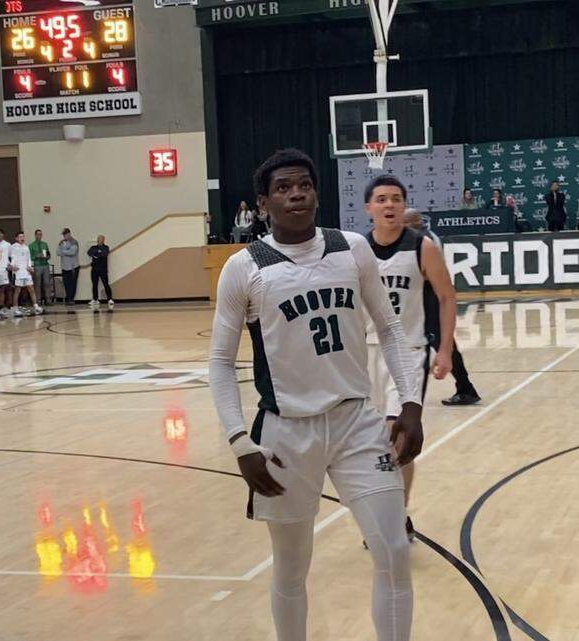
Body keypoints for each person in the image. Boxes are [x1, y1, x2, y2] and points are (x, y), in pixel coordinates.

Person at [208, 149, 421, 641]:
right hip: (286, 431)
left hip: (357, 423)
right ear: (263, 203)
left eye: (304, 184)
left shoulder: (351, 248)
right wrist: (241, 442)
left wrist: (409, 404)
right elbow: (220, 362)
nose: (296, 193)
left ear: (317, 192)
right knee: (290, 566)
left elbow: (388, 328)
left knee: (392, 549)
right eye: (283, 187)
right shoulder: (243, 268)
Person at [364, 178, 456, 541]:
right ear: (369, 208)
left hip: (407, 352)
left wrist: (445, 349)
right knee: (370, 445)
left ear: (404, 207)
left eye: (397, 199)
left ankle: (393, 518)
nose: (390, 204)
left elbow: (447, 297)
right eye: (382, 199)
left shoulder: (423, 247)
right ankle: (388, 512)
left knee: (398, 437)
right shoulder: (356, 250)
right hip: (363, 353)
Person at [402, 211, 483, 407]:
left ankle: (465, 388)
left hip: (430, 296)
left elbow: (429, 276)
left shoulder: (426, 241)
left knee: (441, 342)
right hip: (422, 297)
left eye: (405, 222)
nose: (401, 225)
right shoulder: (420, 238)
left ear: (415, 222)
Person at [9, 231, 41, 316]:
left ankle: (36, 306)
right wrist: (12, 267)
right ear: (16, 238)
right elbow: (12, 258)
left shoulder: (26, 247)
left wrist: (30, 267)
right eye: (20, 237)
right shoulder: (13, 247)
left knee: (31, 289)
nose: (22, 238)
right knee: (17, 290)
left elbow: (29, 258)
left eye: (23, 236)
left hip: (26, 272)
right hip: (18, 272)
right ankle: (15, 308)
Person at [87, 235, 113, 312]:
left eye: (101, 239)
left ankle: (110, 299)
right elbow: (89, 252)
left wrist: (96, 254)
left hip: (103, 269)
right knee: (94, 284)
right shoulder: (93, 247)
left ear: (103, 240)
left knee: (106, 284)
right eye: (98, 239)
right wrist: (97, 253)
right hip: (94, 269)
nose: (99, 240)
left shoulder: (106, 247)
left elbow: (104, 254)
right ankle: (95, 299)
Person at [29, 229, 53, 307]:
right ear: (35, 235)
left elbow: (48, 254)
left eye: (40, 234)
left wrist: (47, 256)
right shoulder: (31, 245)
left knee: (47, 283)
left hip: (45, 264)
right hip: (37, 265)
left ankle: (48, 299)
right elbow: (30, 257)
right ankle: (38, 300)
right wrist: (36, 256)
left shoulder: (44, 244)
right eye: (38, 234)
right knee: (37, 284)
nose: (39, 236)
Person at [58, 228, 79, 305]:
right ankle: (68, 297)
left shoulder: (74, 242)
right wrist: (66, 251)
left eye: (65, 234)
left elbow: (72, 252)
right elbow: (58, 252)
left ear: (69, 234)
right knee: (66, 283)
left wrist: (63, 251)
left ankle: (71, 299)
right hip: (64, 266)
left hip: (73, 267)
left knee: (72, 284)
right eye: (63, 235)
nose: (64, 236)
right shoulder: (62, 242)